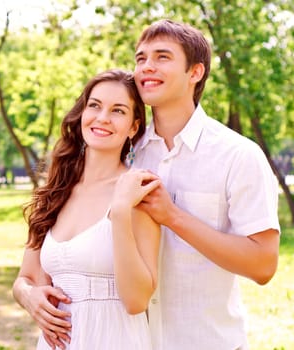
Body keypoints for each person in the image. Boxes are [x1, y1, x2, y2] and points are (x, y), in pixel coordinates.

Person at [132, 19, 281, 349]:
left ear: (195, 72)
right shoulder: (124, 152)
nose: (146, 67)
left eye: (162, 57)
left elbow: (263, 264)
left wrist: (173, 217)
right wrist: (31, 289)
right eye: (140, 58)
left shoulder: (238, 155)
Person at [12, 69, 162, 349]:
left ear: (133, 127)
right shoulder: (56, 190)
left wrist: (119, 212)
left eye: (118, 111)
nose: (103, 117)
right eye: (94, 105)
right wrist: (28, 297)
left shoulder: (138, 189)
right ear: (82, 114)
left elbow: (136, 301)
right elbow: (25, 279)